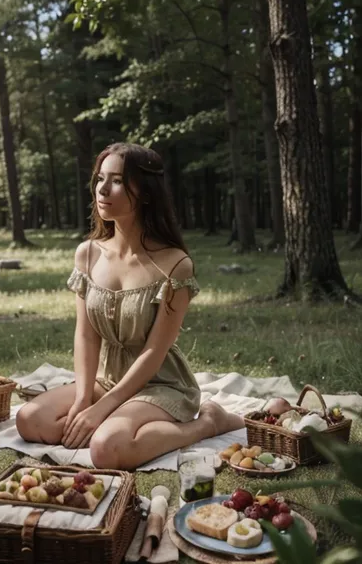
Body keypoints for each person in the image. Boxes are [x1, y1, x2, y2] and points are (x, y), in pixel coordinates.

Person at [16, 143, 243, 470]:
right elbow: (86, 336)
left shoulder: (174, 264)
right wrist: (83, 398)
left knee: (107, 448)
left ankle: (208, 423)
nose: (103, 189)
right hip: (105, 378)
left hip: (159, 383)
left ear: (146, 192)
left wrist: (101, 408)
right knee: (29, 419)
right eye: (100, 179)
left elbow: (154, 352)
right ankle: (137, 426)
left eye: (118, 180)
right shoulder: (88, 254)